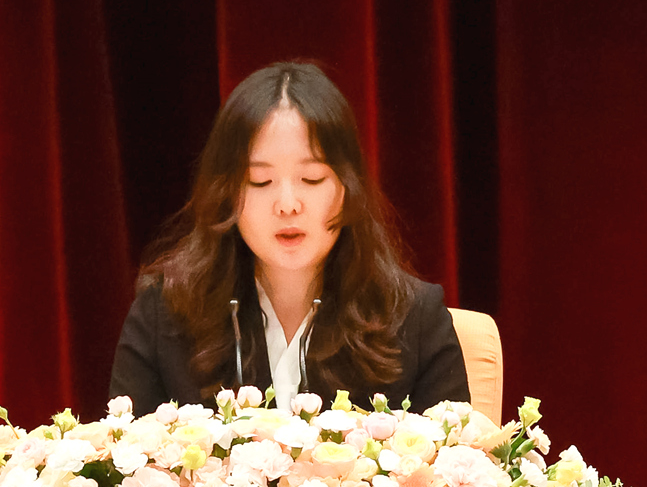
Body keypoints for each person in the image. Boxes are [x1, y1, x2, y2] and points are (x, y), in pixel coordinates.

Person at [109, 61, 470, 413]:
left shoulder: (416, 319)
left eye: (311, 179)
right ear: (226, 192)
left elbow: (457, 452)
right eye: (260, 181)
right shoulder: (163, 315)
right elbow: (122, 450)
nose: (287, 205)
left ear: (349, 187)